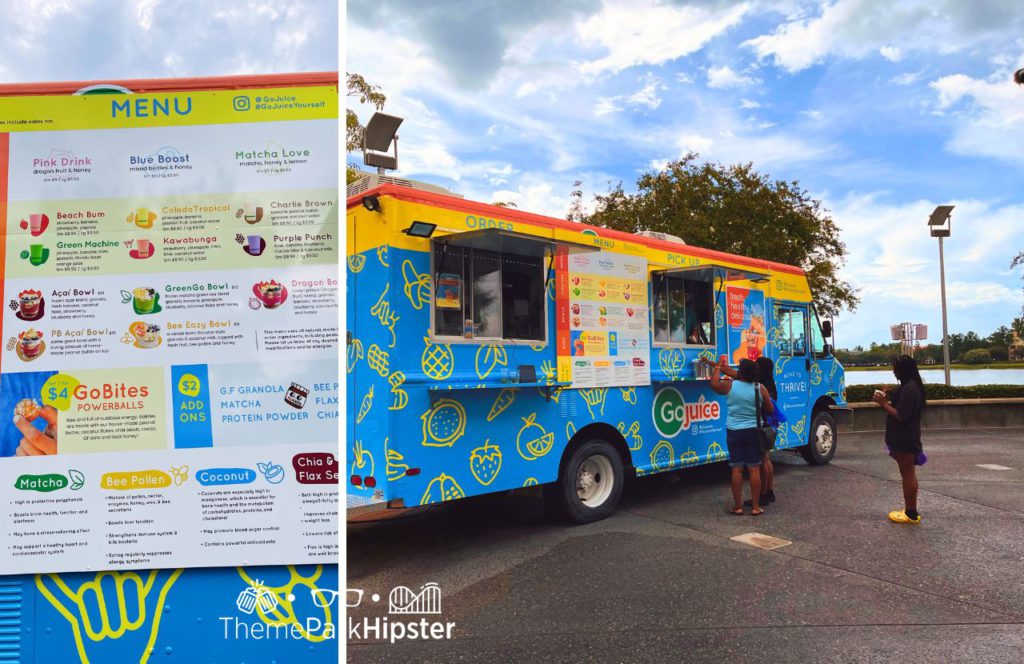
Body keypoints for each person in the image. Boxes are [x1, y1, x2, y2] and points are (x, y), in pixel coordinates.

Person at [709, 358, 773, 515]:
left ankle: (738, 507)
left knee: (736, 470)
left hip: (734, 432)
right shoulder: (760, 388)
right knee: (754, 470)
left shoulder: (730, 386)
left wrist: (717, 367)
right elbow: (770, 409)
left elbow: (714, 383)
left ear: (741, 373)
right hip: (753, 432)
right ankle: (756, 507)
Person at [873, 355, 926, 524]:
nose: (893, 371)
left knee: (907, 473)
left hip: (905, 438)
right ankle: (911, 510)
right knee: (908, 473)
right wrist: (889, 396)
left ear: (903, 369)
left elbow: (902, 415)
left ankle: (911, 513)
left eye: (896, 368)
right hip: (907, 437)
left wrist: (883, 403)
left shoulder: (910, 389)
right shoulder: (911, 386)